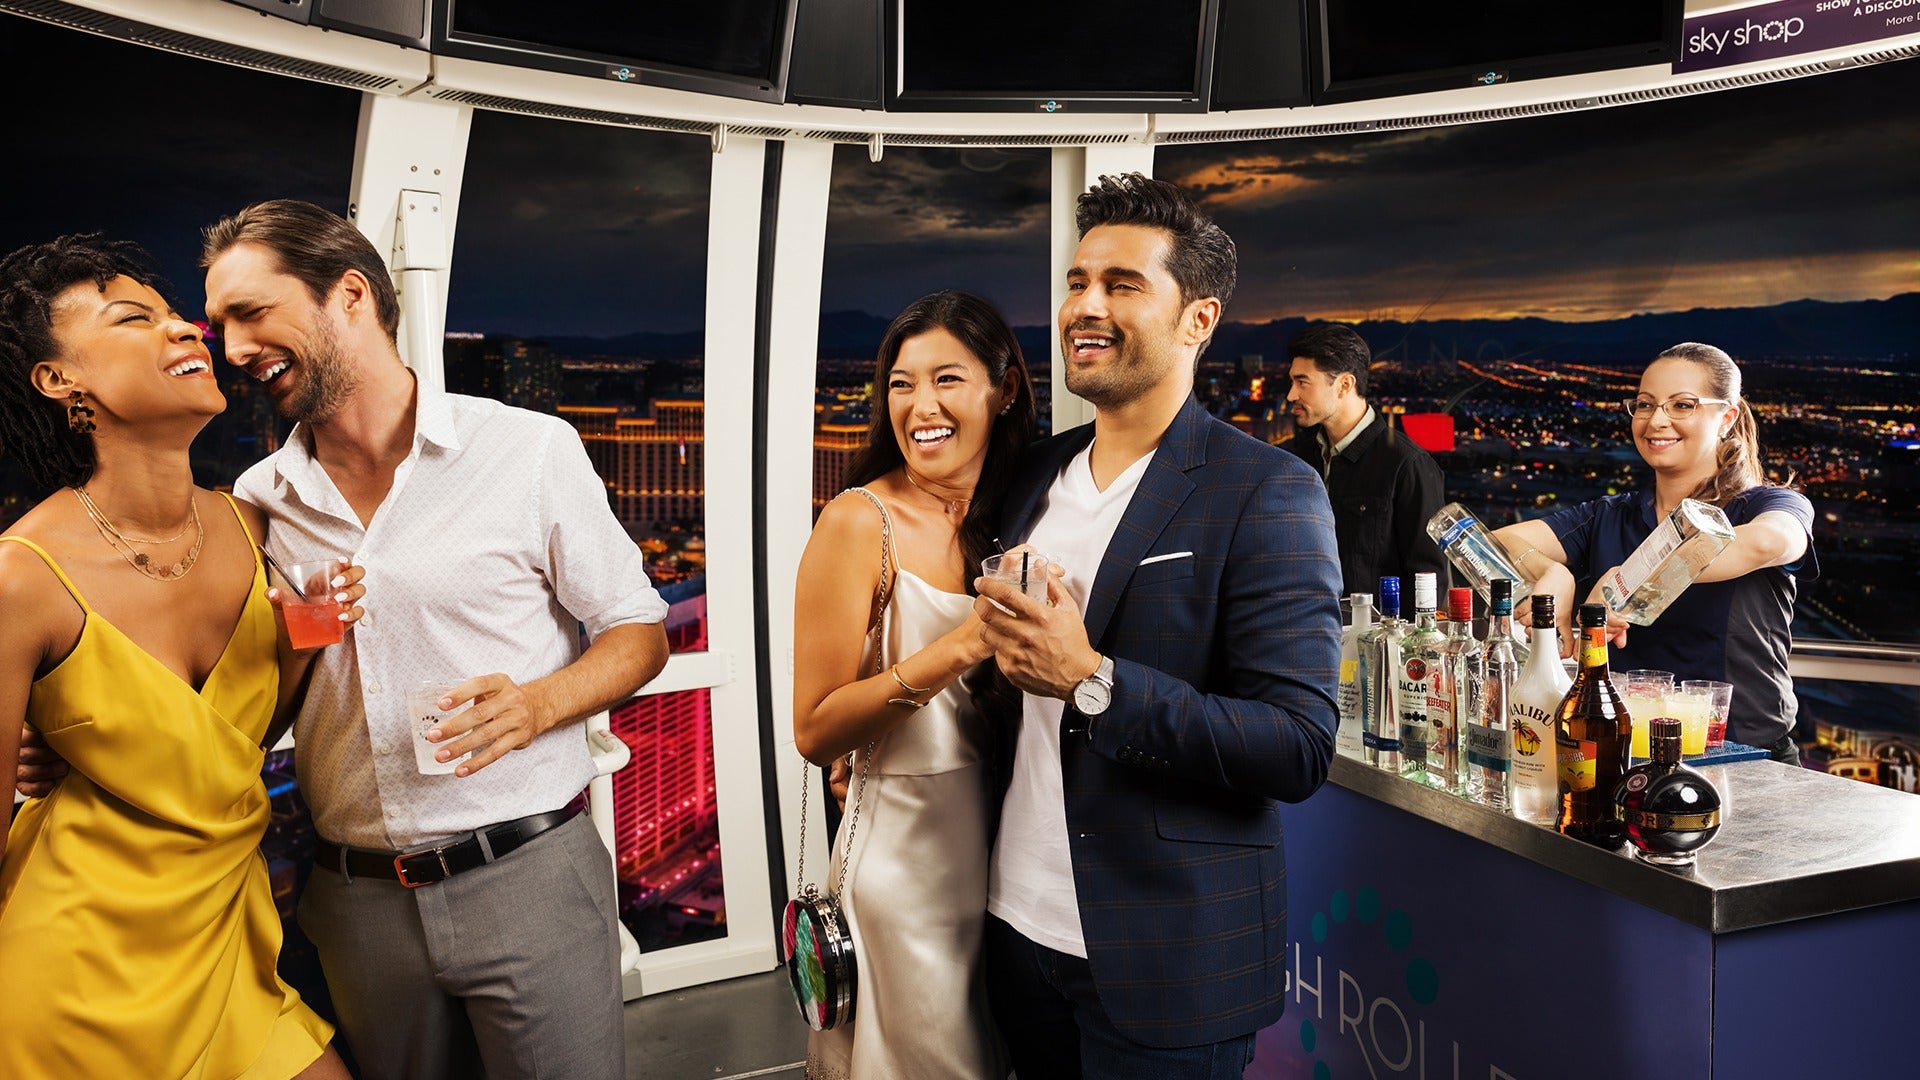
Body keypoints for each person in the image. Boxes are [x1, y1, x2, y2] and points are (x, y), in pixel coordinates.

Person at [972, 173, 1342, 1078]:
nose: (1084, 307)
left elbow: (1297, 745)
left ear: (1199, 322)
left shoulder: (1268, 490)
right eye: (1076, 281)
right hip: (1013, 929)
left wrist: (1091, 679)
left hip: (1167, 956)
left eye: (1122, 285)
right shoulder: (1034, 477)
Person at [0, 234, 362, 1079]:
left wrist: (315, 637)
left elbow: (230, 745)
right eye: (136, 319)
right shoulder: (21, 576)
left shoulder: (253, 526)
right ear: (60, 381)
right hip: (73, 975)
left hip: (230, 946)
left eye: (177, 317)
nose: (185, 332)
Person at [791, 290, 1036, 1078]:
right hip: (907, 873)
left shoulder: (1023, 510)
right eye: (901, 383)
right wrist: (959, 646)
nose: (920, 405)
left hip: (1016, 863)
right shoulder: (860, 521)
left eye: (947, 379)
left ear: (1004, 390)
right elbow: (815, 730)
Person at [1492, 342, 1816, 763]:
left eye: (1682, 405)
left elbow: (1767, 543)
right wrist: (1554, 573)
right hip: (1625, 757)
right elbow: (1501, 541)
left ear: (1727, 417)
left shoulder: (1768, 504)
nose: (1656, 420)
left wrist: (1625, 581)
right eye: (1645, 405)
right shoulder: (1610, 514)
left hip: (1745, 758)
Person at [1282, 321, 1447, 595]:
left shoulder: (1407, 465)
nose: (1291, 395)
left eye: (1302, 382)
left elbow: (1428, 581)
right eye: (1292, 381)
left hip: (1375, 635)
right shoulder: (1295, 458)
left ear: (1344, 384)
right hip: (1305, 629)